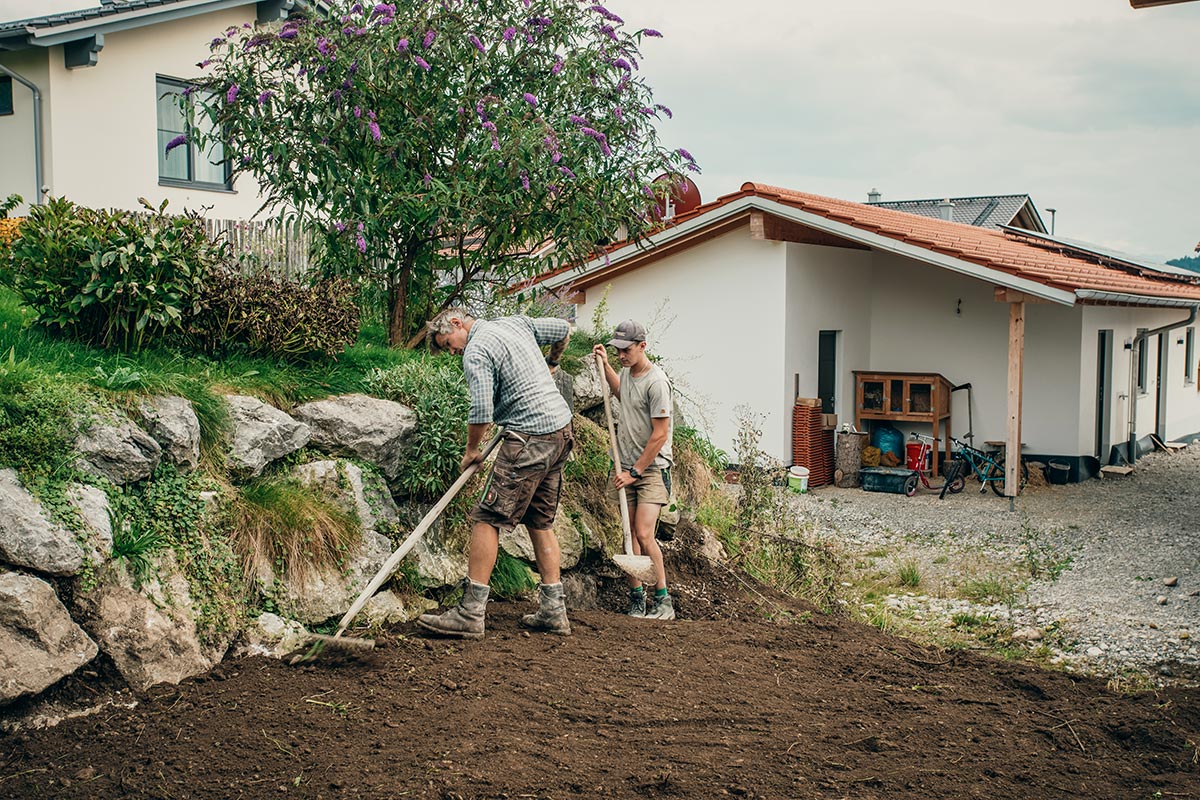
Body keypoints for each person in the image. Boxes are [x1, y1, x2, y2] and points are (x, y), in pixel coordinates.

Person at [418, 307, 575, 639]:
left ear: (457, 323)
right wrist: (553, 364)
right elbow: (563, 329)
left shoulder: (476, 350)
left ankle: (470, 614)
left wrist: (471, 451)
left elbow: (481, 409)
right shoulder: (514, 324)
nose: (452, 351)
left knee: (488, 517)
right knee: (539, 520)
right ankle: (554, 611)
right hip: (560, 431)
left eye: (448, 343)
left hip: (529, 436)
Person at [592, 319, 675, 620]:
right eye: (617, 351)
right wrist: (605, 365)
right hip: (624, 464)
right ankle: (637, 598)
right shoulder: (627, 373)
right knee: (628, 535)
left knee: (643, 533)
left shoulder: (656, 383)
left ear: (642, 346)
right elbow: (620, 392)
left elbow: (660, 435)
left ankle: (663, 599)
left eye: (626, 350)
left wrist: (636, 472)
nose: (622, 356)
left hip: (650, 469)